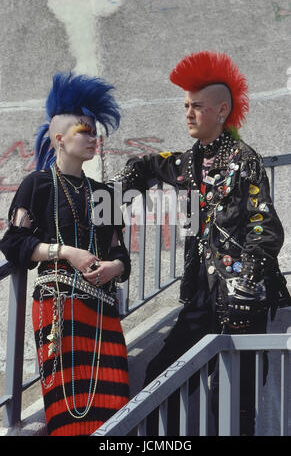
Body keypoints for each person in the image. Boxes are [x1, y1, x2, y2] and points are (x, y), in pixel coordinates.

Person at [109, 51, 291, 435]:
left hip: (241, 298)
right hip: (201, 298)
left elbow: (267, 226)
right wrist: (118, 194)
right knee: (162, 378)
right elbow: (145, 165)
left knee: (235, 399)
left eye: (197, 107)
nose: (188, 114)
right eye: (186, 106)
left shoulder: (245, 160)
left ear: (221, 111)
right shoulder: (188, 162)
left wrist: (250, 274)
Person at [0, 72, 131, 436]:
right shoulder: (38, 185)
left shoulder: (105, 193)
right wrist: (67, 252)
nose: (93, 138)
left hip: (102, 307)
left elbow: (122, 255)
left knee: (115, 404)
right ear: (60, 139)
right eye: (84, 131)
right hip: (58, 306)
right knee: (69, 409)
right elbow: (13, 242)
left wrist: (113, 266)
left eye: (94, 131)